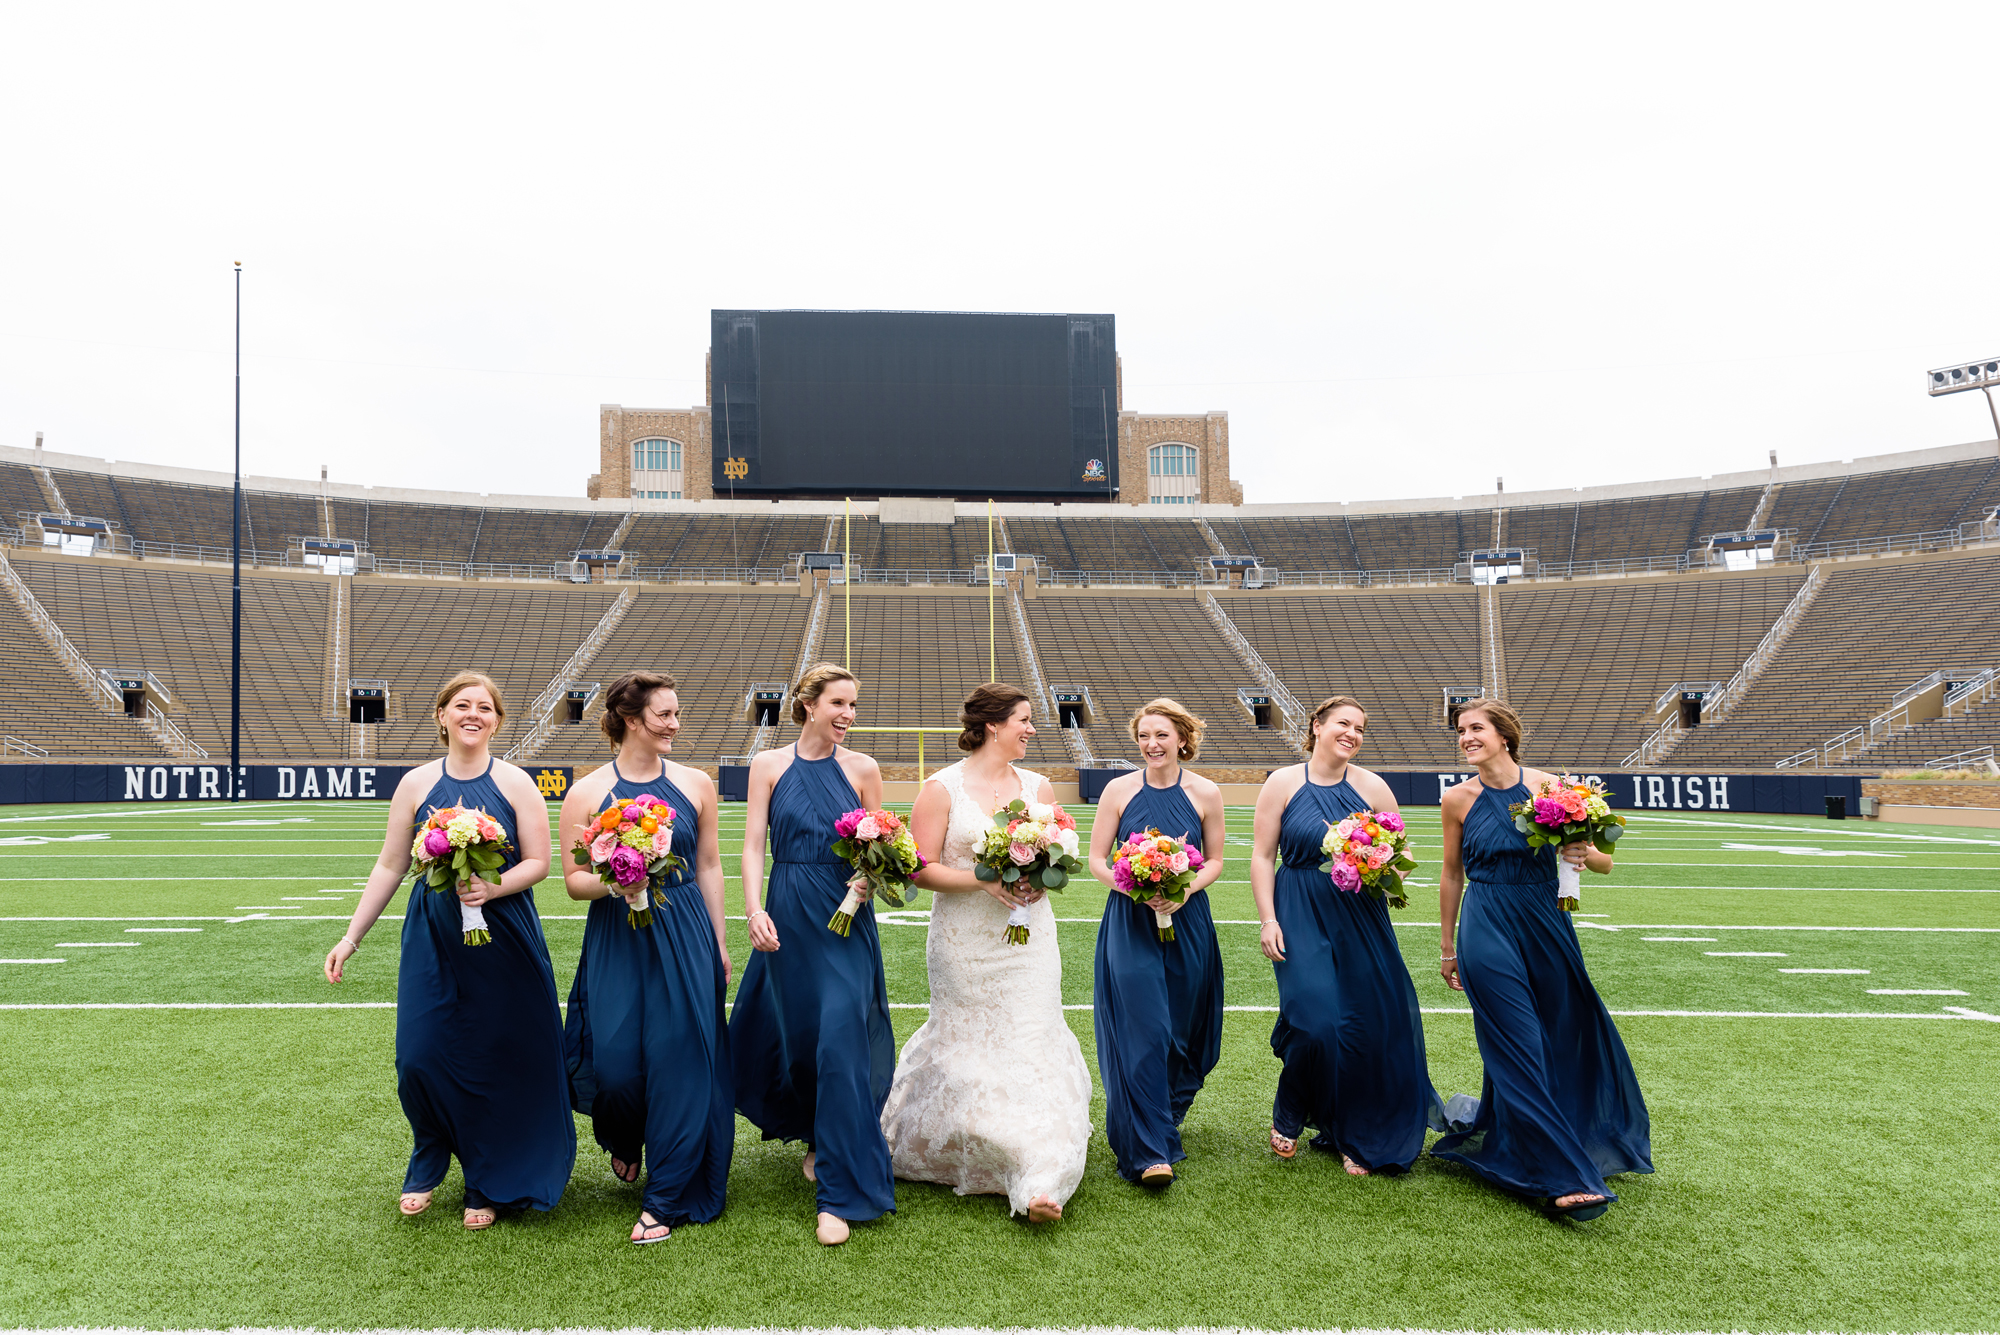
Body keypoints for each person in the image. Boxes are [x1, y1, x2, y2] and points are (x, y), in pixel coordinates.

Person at [323, 672, 575, 1229]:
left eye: (485, 707)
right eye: (462, 705)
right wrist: (351, 937)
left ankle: (488, 1180)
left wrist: (493, 886)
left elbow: (539, 862)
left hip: (503, 933)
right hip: (434, 934)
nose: (473, 714)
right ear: (441, 715)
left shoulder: (516, 783)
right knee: (419, 1055)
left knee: (498, 1057)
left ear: (497, 721)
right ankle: (430, 1151)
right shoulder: (415, 784)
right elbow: (391, 864)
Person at [1430, 698, 1653, 1220]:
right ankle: (1564, 1175)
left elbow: (1603, 862)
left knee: (1557, 1037)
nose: (1466, 737)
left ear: (1504, 735)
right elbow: (1451, 874)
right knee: (1518, 1045)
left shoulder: (1552, 788)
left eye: (1476, 728)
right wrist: (1446, 947)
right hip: (1486, 925)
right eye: (1461, 731)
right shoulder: (1456, 800)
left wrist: (1580, 853)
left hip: (1546, 923)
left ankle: (1523, 1132)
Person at [879, 683, 1093, 1222]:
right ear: (994, 724)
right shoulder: (940, 788)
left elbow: (1057, 859)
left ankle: (1037, 1173)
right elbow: (919, 867)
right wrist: (984, 881)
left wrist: (1041, 882)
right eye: (1024, 719)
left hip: (1029, 939)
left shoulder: (1041, 787)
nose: (1032, 729)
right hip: (963, 942)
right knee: (966, 1041)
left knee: (1030, 1034)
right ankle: (952, 1145)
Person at [559, 670, 732, 1245]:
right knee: (615, 1068)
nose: (675, 725)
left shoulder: (697, 784)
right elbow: (573, 882)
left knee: (681, 1062)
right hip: (616, 935)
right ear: (631, 719)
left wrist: (719, 943)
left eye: (677, 714)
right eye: (664, 715)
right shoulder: (585, 794)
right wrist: (620, 882)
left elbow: (707, 865)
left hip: (684, 930)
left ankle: (667, 1197)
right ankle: (627, 1136)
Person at [730, 663, 896, 1246]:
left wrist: (866, 882)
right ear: (808, 704)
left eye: (853, 705)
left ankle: (840, 1191)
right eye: (839, 704)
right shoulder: (768, 765)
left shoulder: (863, 769)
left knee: (841, 1040)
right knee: (799, 1042)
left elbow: (884, 847)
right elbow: (753, 843)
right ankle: (816, 1133)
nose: (848, 715)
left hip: (846, 916)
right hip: (787, 910)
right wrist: (753, 909)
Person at [1250, 694, 1442, 1175]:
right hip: (1298, 907)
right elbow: (1261, 857)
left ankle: (1353, 1131)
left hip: (1361, 914)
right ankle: (1291, 1105)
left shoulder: (1373, 787)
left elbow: (1401, 852)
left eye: (1359, 727)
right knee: (1313, 1020)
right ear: (1316, 725)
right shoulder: (1282, 783)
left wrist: (1378, 858)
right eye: (1342, 723)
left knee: (1366, 1024)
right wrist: (1268, 919)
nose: (1351, 734)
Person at [1087, 698, 1226, 1188]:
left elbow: (1214, 861)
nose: (1152, 744)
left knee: (1182, 1031)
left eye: (1162, 735)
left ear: (1183, 739)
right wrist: (1134, 886)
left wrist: (1183, 889)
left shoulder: (1207, 792)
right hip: (1130, 920)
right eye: (1144, 736)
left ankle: (1162, 1114)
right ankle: (1147, 1151)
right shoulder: (1118, 791)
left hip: (1188, 920)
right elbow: (1097, 859)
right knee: (1142, 1028)